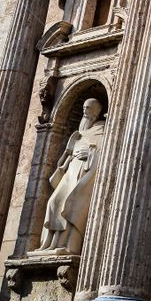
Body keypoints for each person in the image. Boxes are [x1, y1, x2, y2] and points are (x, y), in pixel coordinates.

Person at [38, 97, 105, 254]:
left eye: (88, 108)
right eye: (83, 107)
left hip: (84, 169)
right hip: (71, 169)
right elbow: (66, 155)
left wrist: (89, 154)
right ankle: (50, 244)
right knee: (53, 202)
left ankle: (67, 245)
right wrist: (64, 162)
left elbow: (105, 151)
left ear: (96, 111)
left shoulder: (102, 129)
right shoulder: (79, 132)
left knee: (71, 205)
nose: (84, 111)